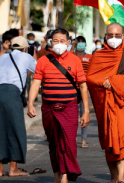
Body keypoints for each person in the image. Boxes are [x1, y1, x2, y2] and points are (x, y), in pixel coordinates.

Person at [27, 28, 90, 183]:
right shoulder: (43, 60)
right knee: (54, 143)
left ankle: (65, 176)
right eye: (55, 40)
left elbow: (83, 86)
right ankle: (57, 174)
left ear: (68, 43)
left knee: (68, 143)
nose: (59, 44)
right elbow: (36, 83)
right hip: (48, 108)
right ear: (50, 42)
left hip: (69, 107)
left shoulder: (75, 60)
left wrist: (86, 111)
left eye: (62, 41)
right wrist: (30, 104)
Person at [86, 23, 124, 183]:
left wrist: (113, 81)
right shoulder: (98, 55)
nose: (114, 39)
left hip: (123, 101)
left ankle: (121, 176)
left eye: (117, 36)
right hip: (106, 103)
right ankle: (113, 176)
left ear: (123, 37)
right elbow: (90, 77)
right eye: (111, 35)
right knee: (109, 139)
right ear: (105, 36)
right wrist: (105, 83)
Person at [0, 36, 36, 177]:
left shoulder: (4, 57)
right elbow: (39, 71)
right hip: (11, 93)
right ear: (24, 48)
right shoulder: (26, 56)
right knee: (15, 129)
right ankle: (13, 169)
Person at [71, 36, 92, 148]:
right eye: (78, 42)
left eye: (82, 42)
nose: (80, 44)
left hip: (85, 88)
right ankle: (73, 137)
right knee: (73, 115)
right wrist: (72, 47)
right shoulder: (71, 56)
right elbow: (65, 59)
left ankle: (83, 139)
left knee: (84, 113)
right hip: (73, 88)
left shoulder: (90, 57)